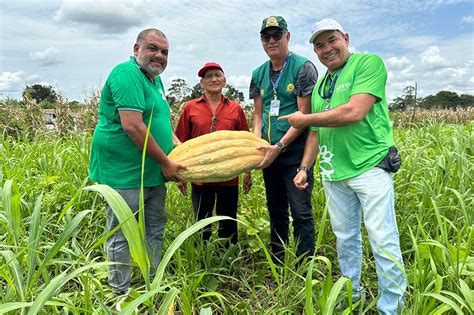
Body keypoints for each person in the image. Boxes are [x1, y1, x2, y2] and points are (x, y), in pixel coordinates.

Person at [279, 18, 406, 313]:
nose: (326, 49)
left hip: (370, 166)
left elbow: (354, 111)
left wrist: (305, 118)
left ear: (346, 38)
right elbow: (315, 131)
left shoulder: (368, 64)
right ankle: (353, 292)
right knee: (345, 237)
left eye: (332, 40)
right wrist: (304, 167)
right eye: (319, 45)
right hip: (335, 172)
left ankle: (392, 306)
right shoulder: (323, 81)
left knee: (382, 236)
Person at [89, 28, 186, 296]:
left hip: (152, 170)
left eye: (165, 52)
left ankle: (152, 282)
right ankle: (120, 293)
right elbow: (132, 126)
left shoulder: (154, 80)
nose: (159, 56)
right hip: (125, 171)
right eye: (153, 48)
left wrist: (175, 144)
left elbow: (158, 120)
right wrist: (167, 162)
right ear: (136, 49)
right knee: (122, 233)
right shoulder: (127, 74)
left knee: (155, 227)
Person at [249, 16, 318, 261]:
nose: (271, 41)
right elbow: (258, 114)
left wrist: (279, 146)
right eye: (266, 37)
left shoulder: (302, 67)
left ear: (287, 36)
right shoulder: (258, 74)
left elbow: (304, 116)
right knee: (275, 208)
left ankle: (304, 264)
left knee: (300, 211)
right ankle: (278, 260)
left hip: (295, 153)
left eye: (276, 35)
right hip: (270, 154)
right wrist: (257, 145)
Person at [175, 62, 251, 245]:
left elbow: (246, 142)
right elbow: (180, 141)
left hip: (229, 176)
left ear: (224, 81)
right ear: (201, 83)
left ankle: (229, 256)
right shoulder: (190, 108)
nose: (213, 79)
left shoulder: (235, 108)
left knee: (228, 220)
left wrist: (248, 172)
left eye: (217, 75)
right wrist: (179, 174)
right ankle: (202, 259)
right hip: (200, 177)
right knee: (202, 221)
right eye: (208, 76)